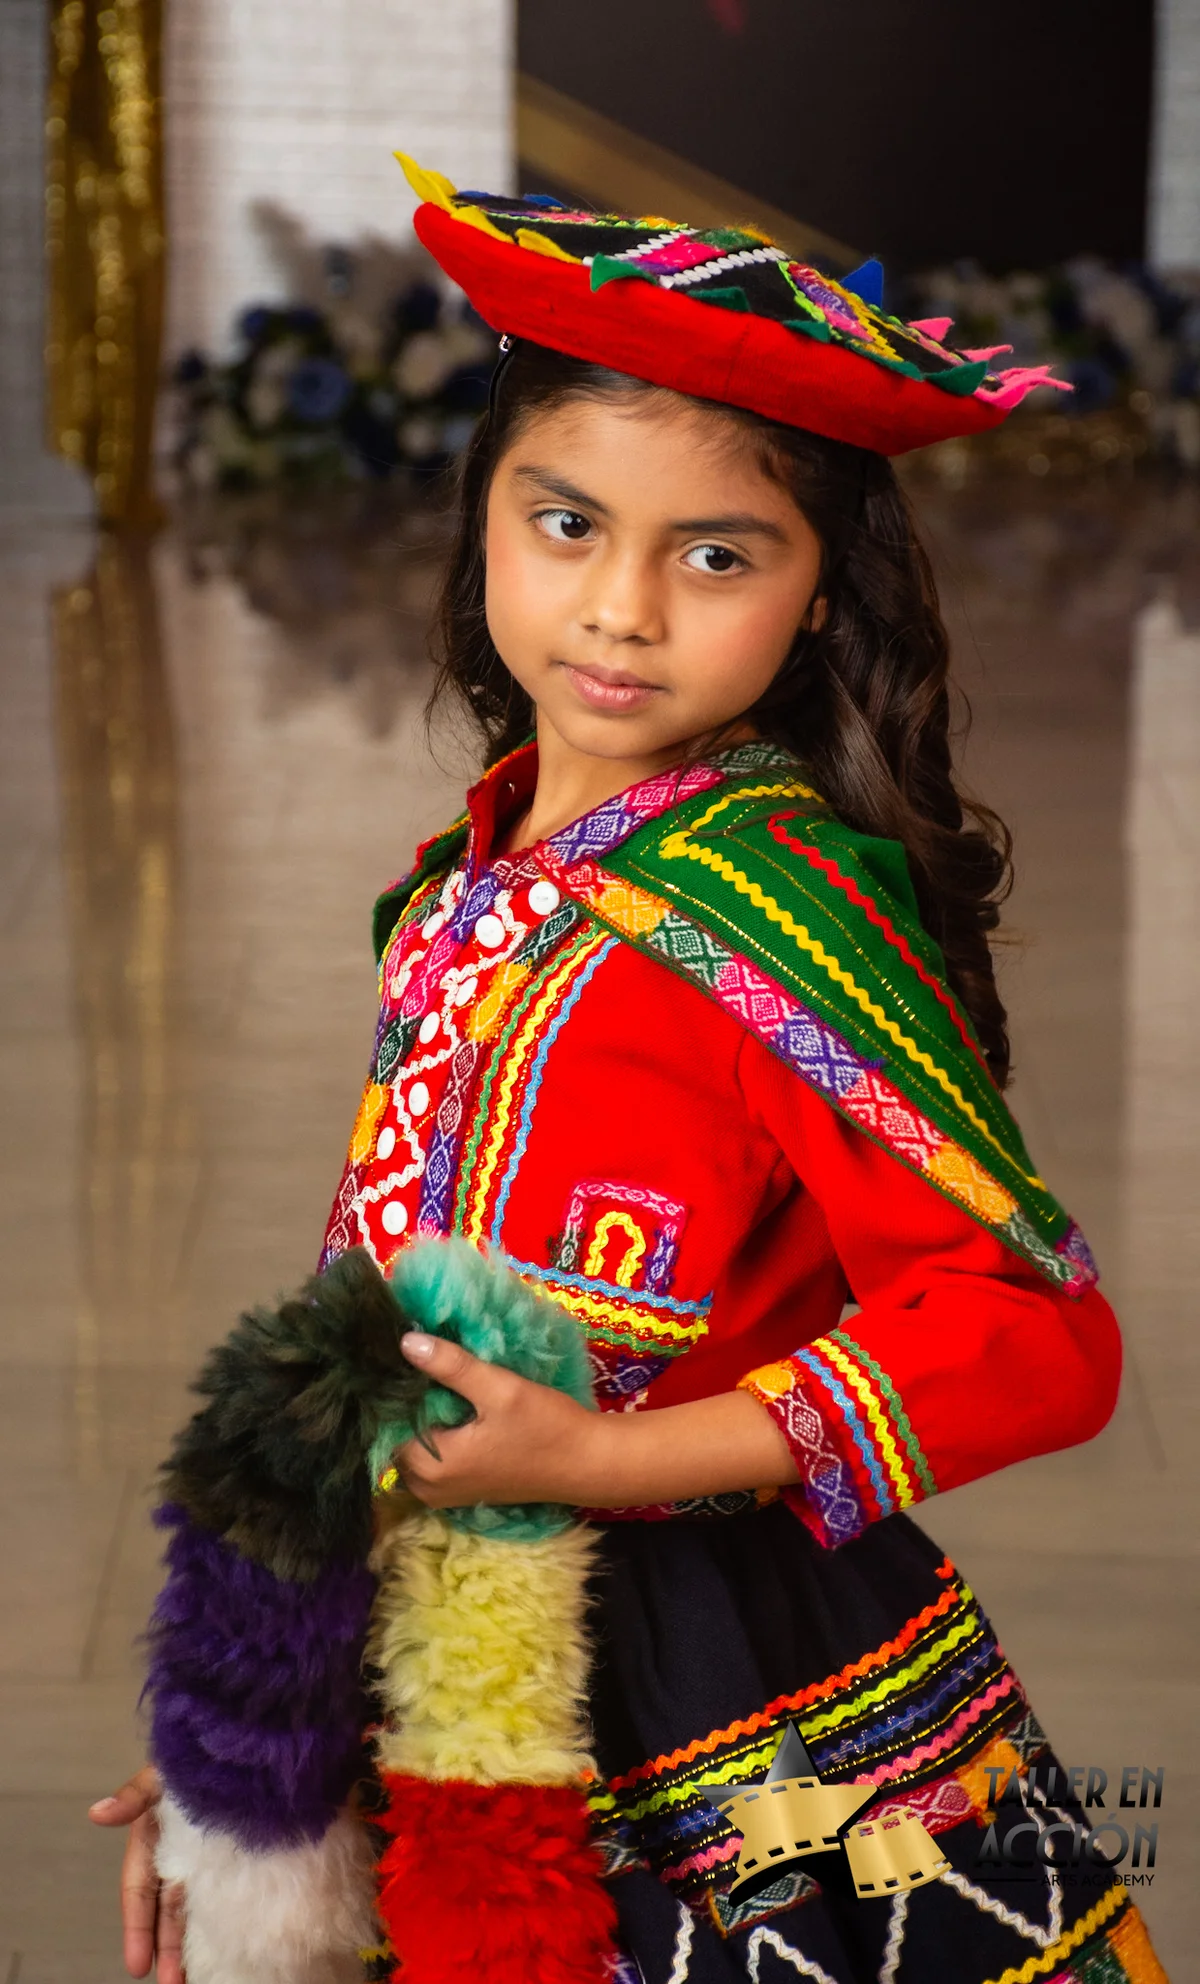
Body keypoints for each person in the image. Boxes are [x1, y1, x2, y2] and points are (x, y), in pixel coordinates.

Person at [91, 161, 1167, 1983]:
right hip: (420, 1634)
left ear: (823, 596)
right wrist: (246, 1748)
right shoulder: (469, 871)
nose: (623, 609)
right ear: (482, 523)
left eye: (718, 555)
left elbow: (1035, 1331)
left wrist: (605, 1451)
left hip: (720, 1681)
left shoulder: (775, 913)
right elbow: (374, 1327)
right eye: (568, 523)